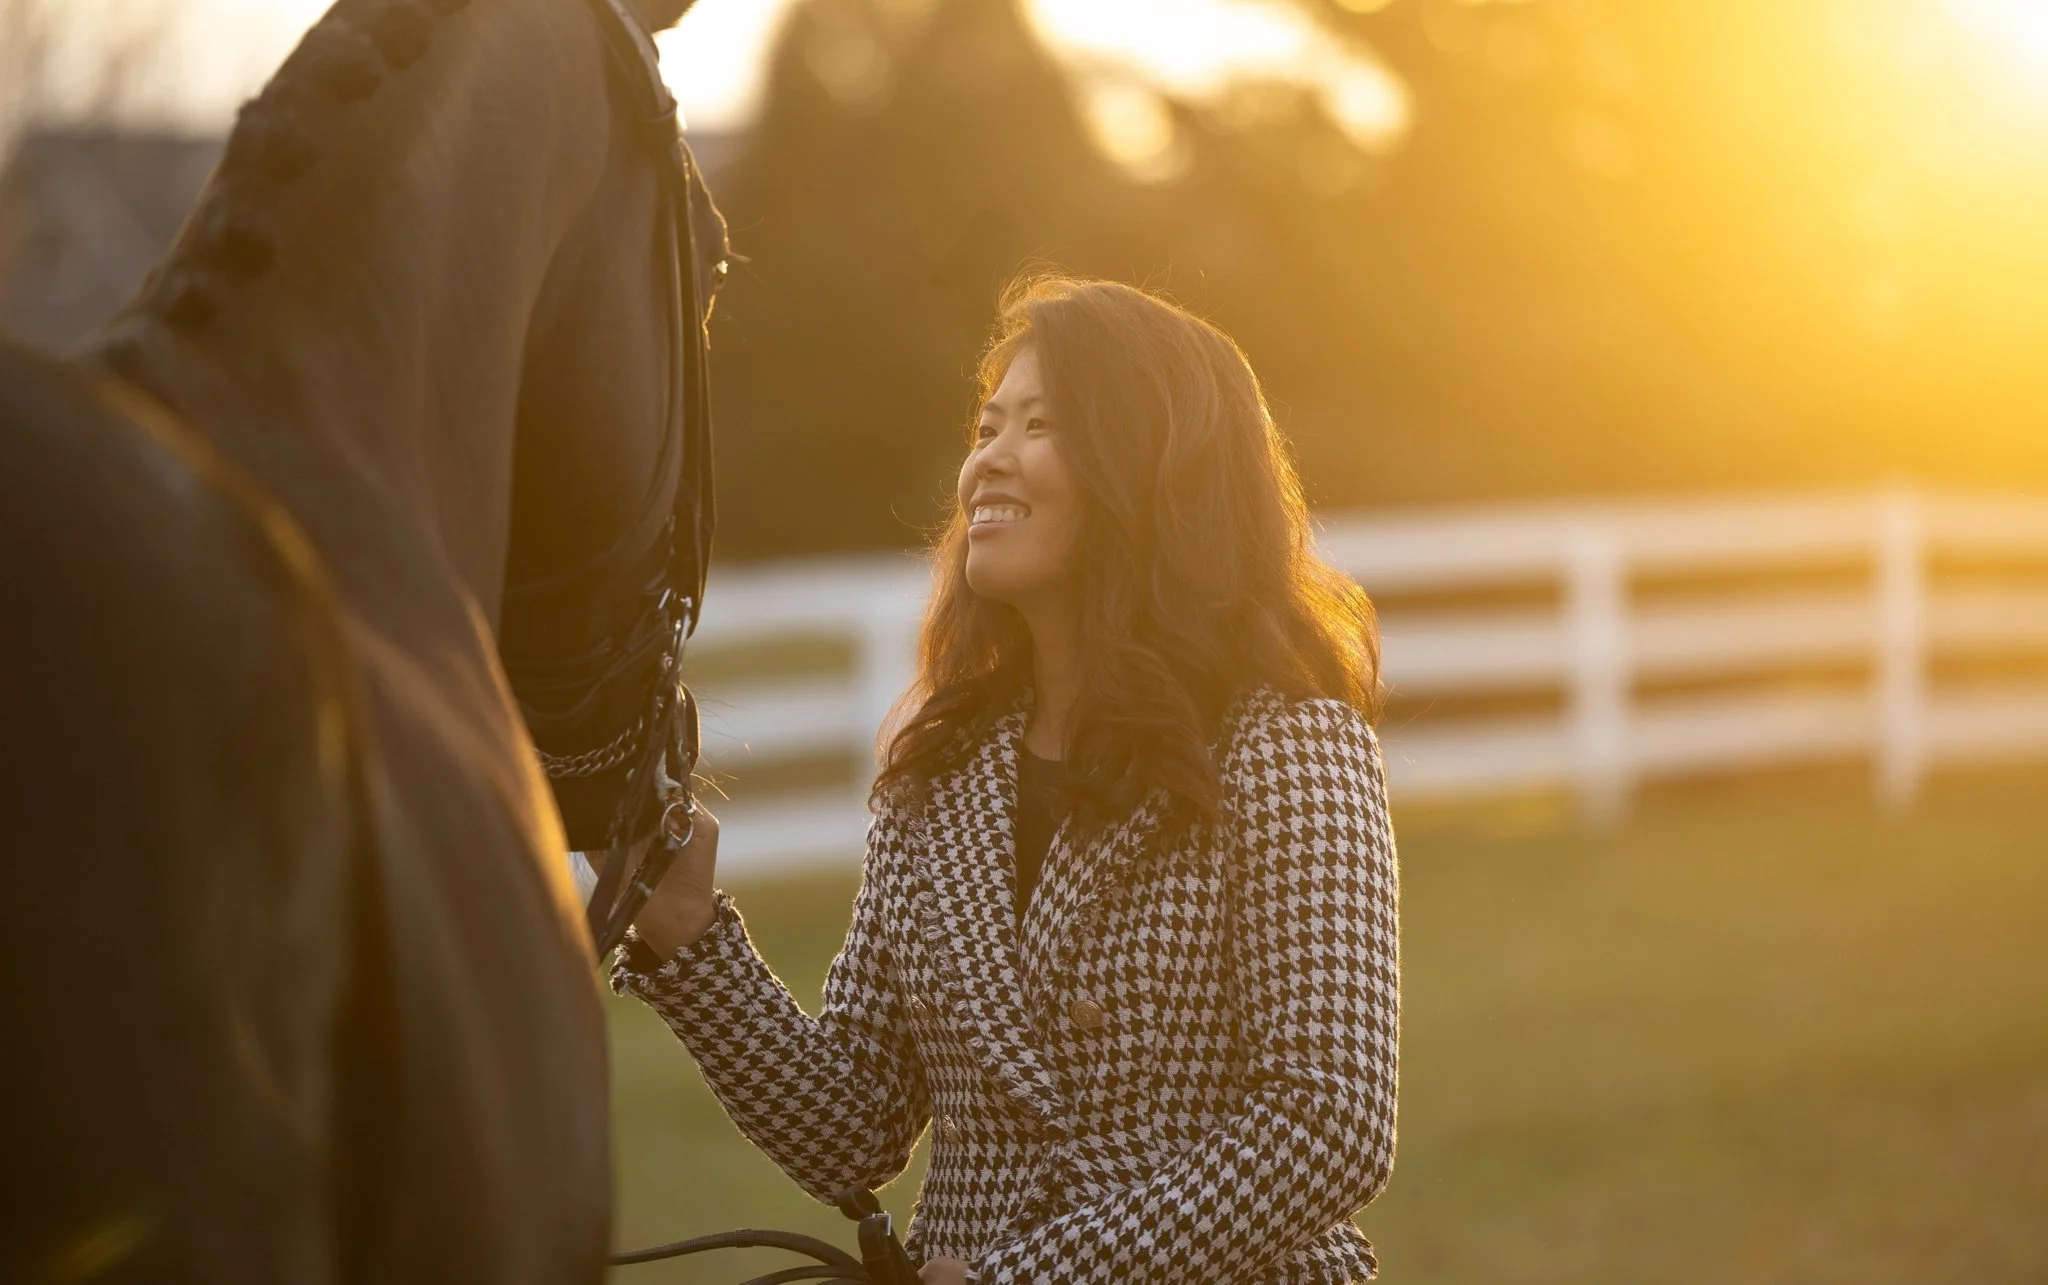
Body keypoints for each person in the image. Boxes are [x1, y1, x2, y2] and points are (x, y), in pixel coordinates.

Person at [607, 272, 1400, 1284]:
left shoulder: (1288, 746)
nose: (988, 458)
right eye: (986, 427)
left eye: (1041, 424)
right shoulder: (938, 777)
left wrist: (1030, 1278)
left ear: (1153, 467)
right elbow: (853, 1126)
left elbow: (1328, 1119)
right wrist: (685, 933)